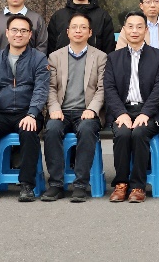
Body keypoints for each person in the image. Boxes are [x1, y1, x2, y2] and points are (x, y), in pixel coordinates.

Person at [0, 15, 50, 202]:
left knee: (29, 131)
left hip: (28, 112)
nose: (18, 34)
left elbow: (41, 90)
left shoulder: (39, 58)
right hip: (1, 113)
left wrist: (32, 114)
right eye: (14, 30)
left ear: (30, 35)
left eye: (23, 31)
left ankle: (27, 185)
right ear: (7, 33)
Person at [41, 13, 108, 203]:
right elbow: (50, 88)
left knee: (86, 130)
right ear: (68, 32)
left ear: (90, 32)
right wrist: (54, 108)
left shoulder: (100, 57)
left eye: (83, 27)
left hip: (86, 111)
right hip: (61, 111)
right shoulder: (55, 57)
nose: (78, 31)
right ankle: (56, 184)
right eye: (74, 27)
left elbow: (102, 88)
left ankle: (80, 185)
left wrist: (92, 109)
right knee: (52, 130)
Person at [103, 11, 159, 202]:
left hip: (149, 112)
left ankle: (138, 186)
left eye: (139, 27)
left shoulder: (158, 56)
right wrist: (120, 113)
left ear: (146, 30)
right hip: (123, 111)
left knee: (139, 133)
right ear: (124, 30)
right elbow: (109, 88)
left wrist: (145, 113)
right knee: (123, 134)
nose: (134, 31)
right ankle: (121, 183)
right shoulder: (113, 57)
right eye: (130, 26)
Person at [46, 0, 114, 55]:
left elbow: (109, 47)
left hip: (95, 62)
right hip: (62, 62)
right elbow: (50, 47)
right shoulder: (59, 16)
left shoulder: (102, 16)